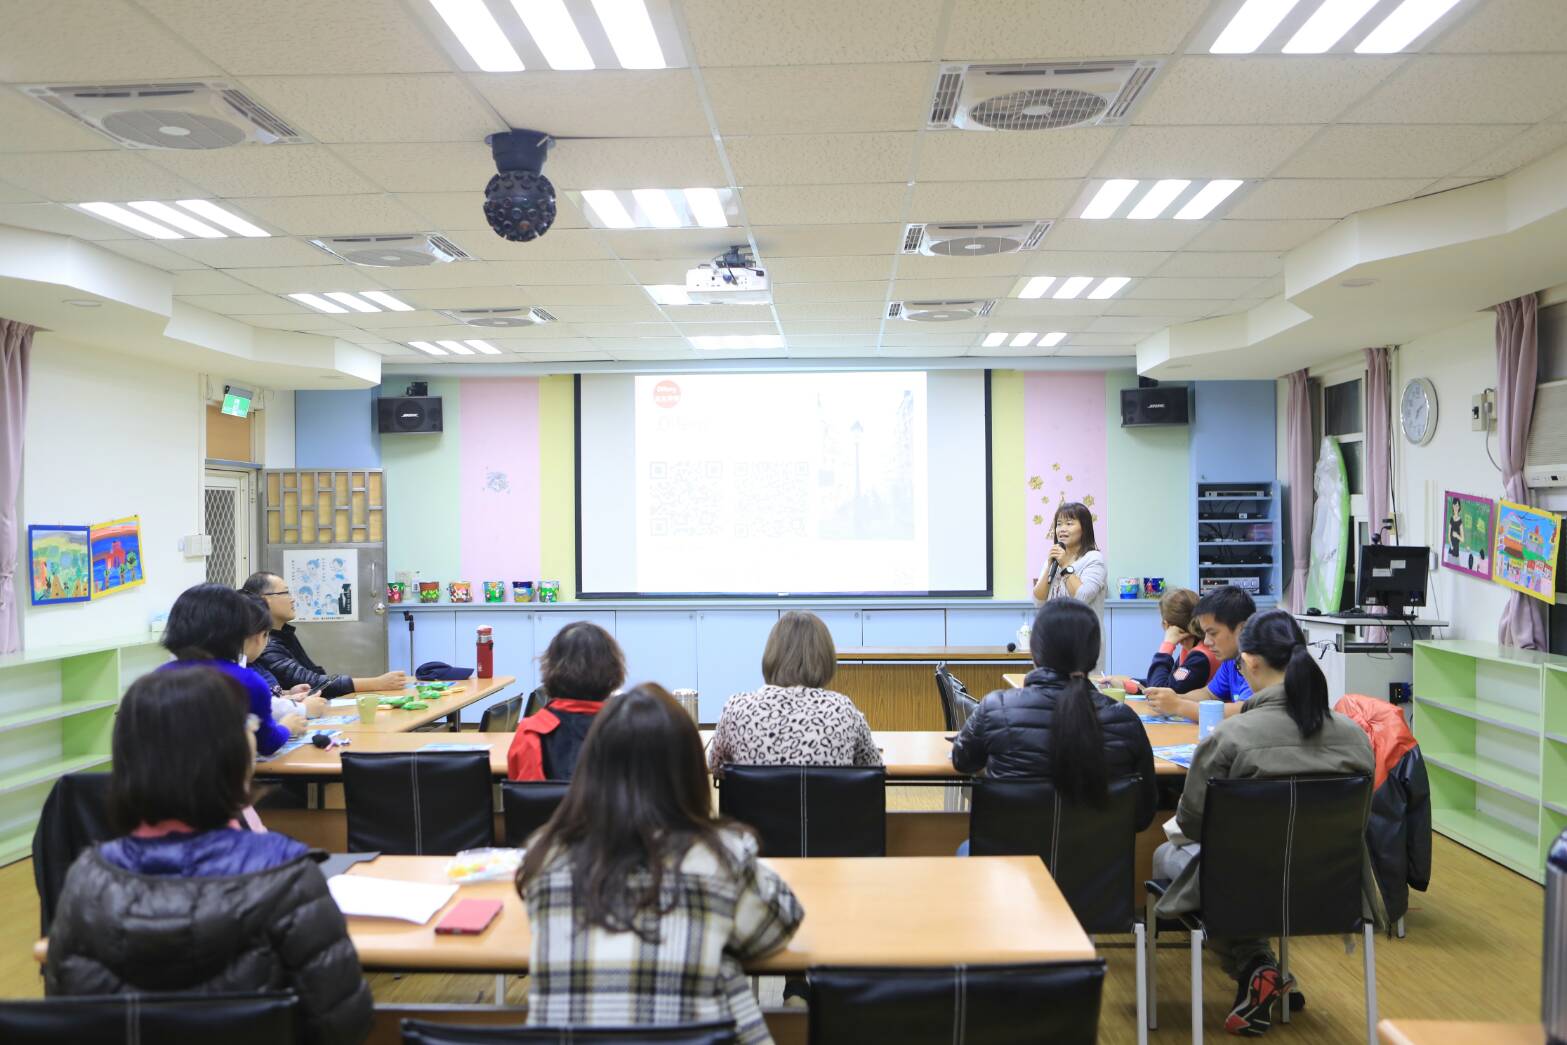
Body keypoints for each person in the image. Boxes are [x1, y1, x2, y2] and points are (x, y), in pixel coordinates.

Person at [44, 666, 373, 1044]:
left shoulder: (87, 877)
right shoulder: (286, 873)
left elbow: (67, 1014)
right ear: (233, 755)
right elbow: (344, 1023)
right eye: (249, 726)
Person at [517, 684, 804, 1045]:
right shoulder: (720, 859)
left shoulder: (546, 859)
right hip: (695, 1032)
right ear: (688, 772)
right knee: (721, 964)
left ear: (591, 767)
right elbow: (781, 923)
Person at [1151, 610, 1382, 1037]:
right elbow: (1359, 821)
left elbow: (1192, 822)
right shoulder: (1355, 737)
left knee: (1168, 855)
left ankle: (1256, 962)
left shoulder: (1231, 737)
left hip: (1243, 887)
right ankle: (1261, 968)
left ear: (1252, 662)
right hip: (1332, 889)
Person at [950, 599, 1158, 833]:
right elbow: (1141, 815)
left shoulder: (996, 708)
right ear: (1094, 654)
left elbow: (962, 761)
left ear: (1035, 653)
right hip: (1097, 867)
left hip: (1011, 865)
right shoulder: (1124, 720)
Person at [708, 611, 880, 772]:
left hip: (757, 804)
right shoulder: (843, 710)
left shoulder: (737, 709)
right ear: (825, 658)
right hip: (824, 805)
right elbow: (874, 767)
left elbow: (714, 765)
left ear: (771, 654)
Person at [160, 582, 303, 755]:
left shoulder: (154, 679)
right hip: (218, 780)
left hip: (154, 780)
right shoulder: (246, 682)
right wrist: (287, 727)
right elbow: (267, 743)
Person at [241, 571, 407, 697]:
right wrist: (377, 683)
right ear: (264, 599)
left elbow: (311, 677)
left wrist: (289, 693)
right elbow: (313, 682)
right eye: (285, 593)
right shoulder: (263, 645)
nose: (292, 599)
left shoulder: (283, 633)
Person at [508, 621, 626, 781]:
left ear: (550, 668)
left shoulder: (532, 732)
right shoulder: (630, 729)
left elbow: (526, 800)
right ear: (614, 670)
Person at [1145, 585, 1255, 722]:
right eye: (1205, 633)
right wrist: (1173, 697)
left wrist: (1179, 705)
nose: (1207, 641)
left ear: (1241, 628)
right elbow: (1209, 694)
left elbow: (1244, 711)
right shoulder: (1231, 660)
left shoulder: (1258, 661)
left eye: (1213, 633)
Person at [1031, 501, 1107, 672]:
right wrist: (1050, 565)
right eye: (1059, 524)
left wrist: (1065, 564)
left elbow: (1082, 596)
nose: (1062, 529)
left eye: (1069, 523)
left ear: (1084, 528)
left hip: (1083, 641)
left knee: (1081, 693)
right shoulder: (1055, 558)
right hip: (1053, 639)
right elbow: (1038, 601)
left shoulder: (1093, 559)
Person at [1101, 587, 1217, 696]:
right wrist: (1125, 685)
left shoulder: (1199, 658)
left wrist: (1166, 647)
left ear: (1166, 624)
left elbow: (1160, 691)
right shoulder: (1192, 649)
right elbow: (1165, 682)